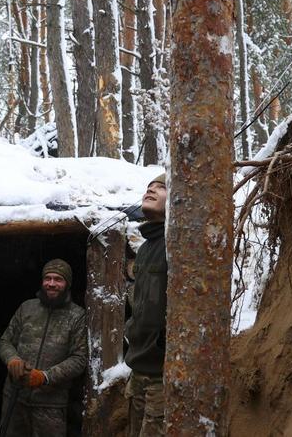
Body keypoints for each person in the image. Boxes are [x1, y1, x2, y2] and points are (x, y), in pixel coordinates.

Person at [0, 259, 88, 437]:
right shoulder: (27, 308)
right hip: (15, 398)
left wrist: (44, 377)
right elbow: (5, 341)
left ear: (67, 284)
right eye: (48, 278)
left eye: (58, 279)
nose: (52, 284)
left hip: (51, 405)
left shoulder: (77, 316)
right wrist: (12, 359)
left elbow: (79, 359)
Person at [124, 173, 168, 436]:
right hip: (138, 368)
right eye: (148, 187)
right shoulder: (146, 247)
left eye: (160, 188)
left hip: (162, 374)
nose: (150, 190)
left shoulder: (175, 243)